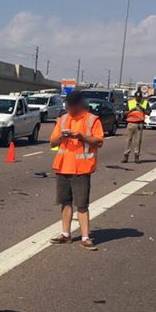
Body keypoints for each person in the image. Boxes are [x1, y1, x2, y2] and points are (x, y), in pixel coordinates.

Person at [49, 91, 104, 250]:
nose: (69, 109)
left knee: (81, 204)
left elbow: (98, 141)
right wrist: (62, 137)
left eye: (72, 106)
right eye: (67, 105)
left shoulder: (92, 120)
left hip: (81, 169)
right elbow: (52, 143)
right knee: (65, 202)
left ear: (80, 105)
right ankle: (65, 234)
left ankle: (86, 237)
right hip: (62, 166)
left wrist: (81, 136)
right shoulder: (63, 119)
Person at [123, 87, 149, 163]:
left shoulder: (145, 103)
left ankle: (136, 156)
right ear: (135, 97)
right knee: (128, 140)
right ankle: (126, 156)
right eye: (137, 97)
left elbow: (149, 112)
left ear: (141, 97)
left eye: (139, 97)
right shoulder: (130, 102)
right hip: (130, 123)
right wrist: (131, 110)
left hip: (139, 124)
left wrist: (142, 108)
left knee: (138, 141)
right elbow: (124, 113)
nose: (138, 99)